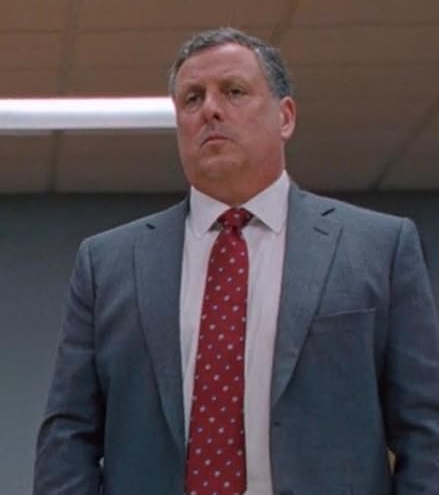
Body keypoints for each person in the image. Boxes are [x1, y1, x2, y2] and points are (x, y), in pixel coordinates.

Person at [33, 27, 439, 495]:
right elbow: (68, 437)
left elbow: (425, 429)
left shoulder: (379, 248)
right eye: (192, 98)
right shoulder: (108, 264)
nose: (210, 109)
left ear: (285, 117)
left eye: (234, 91)